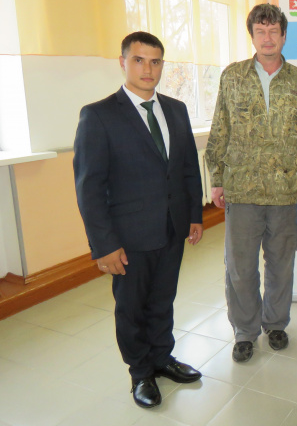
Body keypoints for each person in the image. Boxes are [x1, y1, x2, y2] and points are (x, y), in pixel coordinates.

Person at [73, 31, 204, 409]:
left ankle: (162, 357)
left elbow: (187, 168)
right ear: (123, 62)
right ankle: (141, 372)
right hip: (128, 236)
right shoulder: (98, 115)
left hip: (172, 228)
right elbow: (89, 188)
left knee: (163, 299)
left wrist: (194, 215)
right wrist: (104, 245)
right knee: (131, 309)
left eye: (155, 61)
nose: (148, 69)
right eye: (139, 60)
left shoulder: (176, 109)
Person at [205, 3, 297, 364]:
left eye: (273, 31)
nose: (267, 38)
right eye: (260, 31)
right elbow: (220, 128)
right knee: (240, 267)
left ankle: (276, 323)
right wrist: (217, 179)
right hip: (242, 189)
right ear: (252, 36)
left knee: (280, 264)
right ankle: (245, 330)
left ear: (284, 35)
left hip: (284, 191)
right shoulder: (233, 76)